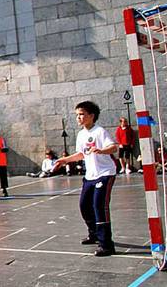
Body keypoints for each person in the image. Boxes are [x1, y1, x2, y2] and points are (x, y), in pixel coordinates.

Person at [53, 101, 118, 257]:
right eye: (77, 115)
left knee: (99, 206)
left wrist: (101, 150)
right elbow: (81, 154)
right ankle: (94, 234)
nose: (79, 118)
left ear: (91, 116)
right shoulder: (81, 134)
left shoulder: (100, 131)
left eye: (81, 114)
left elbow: (114, 147)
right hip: (90, 176)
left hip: (105, 173)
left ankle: (106, 245)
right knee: (84, 206)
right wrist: (64, 160)